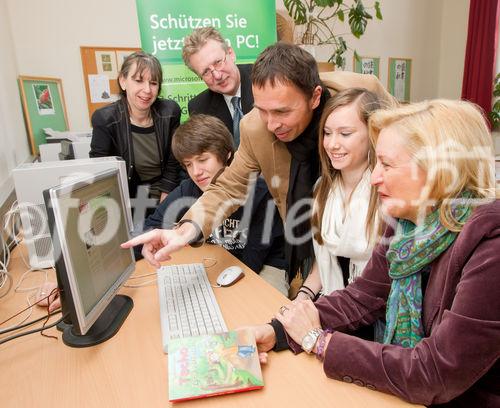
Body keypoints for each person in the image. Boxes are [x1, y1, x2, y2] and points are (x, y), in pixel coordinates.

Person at [250, 99, 500, 407]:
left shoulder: (491, 244)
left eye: (387, 164)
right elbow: (362, 297)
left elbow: (436, 371)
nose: (373, 177)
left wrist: (320, 341)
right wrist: (277, 332)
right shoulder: (404, 222)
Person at [122, 42, 393, 293]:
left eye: (282, 112)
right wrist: (183, 231)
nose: (271, 124)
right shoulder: (255, 128)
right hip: (312, 231)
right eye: (262, 110)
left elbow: (407, 139)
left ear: (314, 97)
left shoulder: (363, 93)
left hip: (371, 226)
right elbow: (228, 187)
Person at [135, 114, 288, 295]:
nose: (196, 172)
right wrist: (146, 243)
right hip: (219, 260)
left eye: (202, 160)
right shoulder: (189, 189)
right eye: (188, 164)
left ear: (226, 154)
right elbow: (150, 227)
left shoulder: (260, 192)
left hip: (264, 262)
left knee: (256, 305)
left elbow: (253, 259)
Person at [295, 88, 382, 301]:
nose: (332, 144)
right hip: (333, 302)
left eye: (345, 134)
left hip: (371, 312)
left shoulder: (385, 193)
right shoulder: (322, 189)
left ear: (373, 133)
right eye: (327, 132)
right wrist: (302, 297)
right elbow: (324, 261)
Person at [90, 51, 182, 208]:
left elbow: (175, 159)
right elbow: (100, 172)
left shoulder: (170, 111)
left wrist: (166, 195)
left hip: (169, 191)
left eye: (153, 83)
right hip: (128, 199)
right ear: (123, 81)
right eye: (139, 81)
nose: (147, 90)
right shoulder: (105, 119)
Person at [182, 27, 253, 145]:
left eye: (218, 62)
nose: (217, 75)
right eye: (206, 72)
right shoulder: (200, 108)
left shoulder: (264, 79)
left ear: (231, 54)